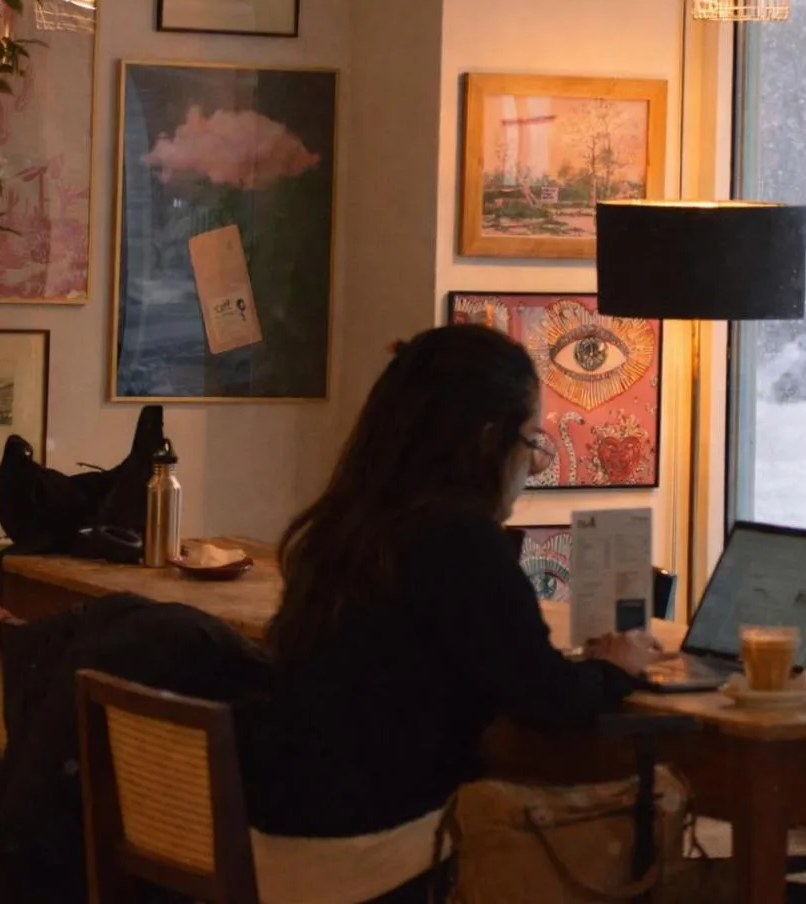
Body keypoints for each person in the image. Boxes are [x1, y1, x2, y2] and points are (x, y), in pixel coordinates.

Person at [238, 323, 662, 904]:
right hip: (373, 852)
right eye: (532, 442)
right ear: (489, 439)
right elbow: (550, 702)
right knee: (647, 820)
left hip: (280, 842)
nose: (534, 468)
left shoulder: (346, 525)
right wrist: (617, 667)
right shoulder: (457, 539)